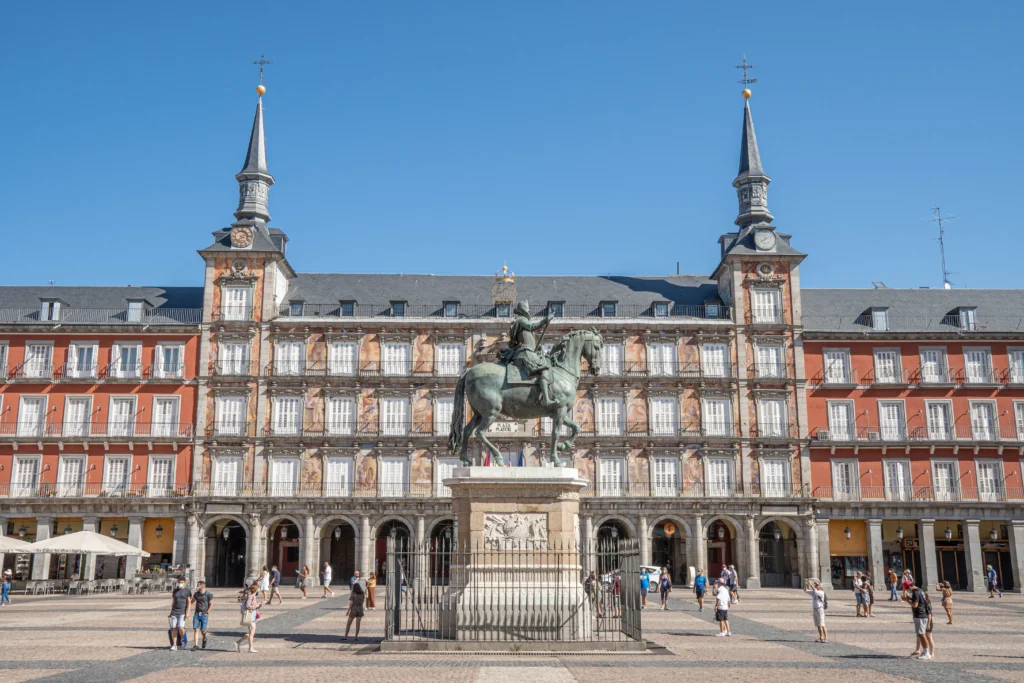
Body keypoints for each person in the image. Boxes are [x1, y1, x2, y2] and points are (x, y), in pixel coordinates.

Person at [902, 580, 930, 660]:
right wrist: (907, 596)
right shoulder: (920, 590)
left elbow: (915, 605)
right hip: (922, 614)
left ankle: (926, 652)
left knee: (921, 634)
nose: (908, 590)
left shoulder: (915, 592)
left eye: (907, 589)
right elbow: (916, 600)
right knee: (920, 634)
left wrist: (907, 600)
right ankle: (925, 651)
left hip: (919, 615)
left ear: (910, 587)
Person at [236, 583, 263, 654]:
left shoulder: (252, 596)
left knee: (251, 633)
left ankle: (238, 642)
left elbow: (251, 605)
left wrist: (258, 606)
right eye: (258, 589)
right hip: (250, 616)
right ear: (256, 590)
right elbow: (248, 606)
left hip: (253, 616)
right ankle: (250, 648)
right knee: (252, 633)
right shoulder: (251, 596)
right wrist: (256, 607)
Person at [190, 581, 214, 651]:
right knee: (196, 629)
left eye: (198, 585)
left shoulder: (207, 594)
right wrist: (188, 602)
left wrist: (207, 612)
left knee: (203, 630)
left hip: (204, 614)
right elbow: (192, 601)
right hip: (197, 614)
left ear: (202, 586)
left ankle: (204, 638)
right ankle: (196, 645)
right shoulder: (196, 594)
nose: (197, 586)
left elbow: (211, 603)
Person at [168, 577, 190, 651]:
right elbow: (173, 601)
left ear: (184, 583)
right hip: (174, 611)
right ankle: (174, 645)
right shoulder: (175, 591)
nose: (180, 583)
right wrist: (170, 612)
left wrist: (188, 612)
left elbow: (189, 602)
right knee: (174, 628)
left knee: (181, 627)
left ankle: (183, 640)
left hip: (182, 612)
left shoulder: (187, 591)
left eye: (181, 582)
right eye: (179, 582)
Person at [805, 579, 828, 643]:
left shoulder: (821, 592)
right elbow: (806, 590)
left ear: (820, 586)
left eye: (817, 585)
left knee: (822, 624)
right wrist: (806, 584)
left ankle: (826, 637)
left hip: (820, 609)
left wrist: (810, 584)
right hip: (815, 608)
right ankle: (821, 637)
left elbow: (815, 591)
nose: (815, 586)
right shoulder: (814, 592)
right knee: (818, 624)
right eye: (815, 585)